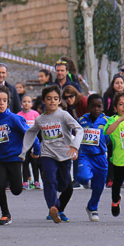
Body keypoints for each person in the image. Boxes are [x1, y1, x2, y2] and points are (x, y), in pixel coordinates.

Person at [21, 85, 84, 223]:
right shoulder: (40, 119)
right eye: (49, 99)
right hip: (47, 154)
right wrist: (24, 151)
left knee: (65, 186)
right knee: (49, 180)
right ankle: (53, 207)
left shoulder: (63, 115)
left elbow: (79, 129)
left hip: (64, 155)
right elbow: (31, 132)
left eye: (55, 98)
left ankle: (59, 209)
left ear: (60, 100)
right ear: (44, 101)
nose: (52, 101)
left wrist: (75, 146)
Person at [0, 86, 37, 226]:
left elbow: (29, 134)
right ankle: (5, 214)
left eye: (4, 100)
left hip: (14, 158)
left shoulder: (14, 119)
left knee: (16, 190)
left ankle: (7, 182)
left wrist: (36, 149)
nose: (1, 103)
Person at [76, 94, 109, 222]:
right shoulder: (81, 120)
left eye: (99, 106)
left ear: (103, 107)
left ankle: (92, 207)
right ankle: (87, 180)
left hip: (100, 157)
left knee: (99, 187)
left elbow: (112, 136)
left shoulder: (107, 121)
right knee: (82, 177)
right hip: (85, 155)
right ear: (88, 106)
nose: (96, 109)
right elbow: (73, 134)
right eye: (93, 106)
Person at [17, 94, 40, 189]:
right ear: (21, 103)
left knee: (35, 163)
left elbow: (39, 127)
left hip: (34, 142)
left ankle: (36, 181)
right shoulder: (18, 115)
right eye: (24, 101)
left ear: (32, 104)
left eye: (29, 102)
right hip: (24, 143)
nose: (26, 103)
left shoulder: (35, 114)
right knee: (25, 163)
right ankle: (25, 182)